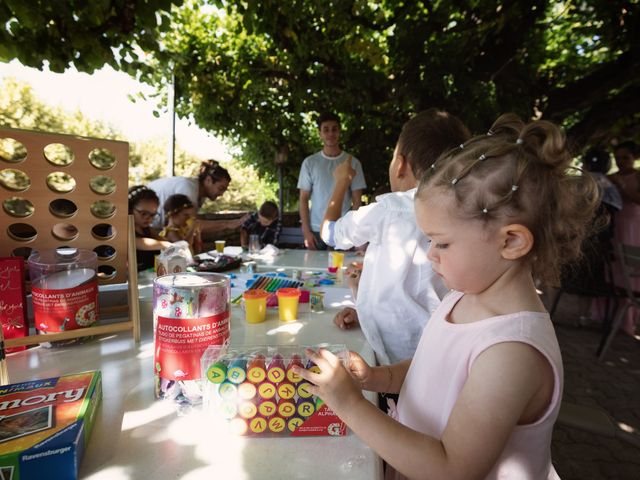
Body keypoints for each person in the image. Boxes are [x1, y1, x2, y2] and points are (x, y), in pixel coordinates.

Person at [295, 114, 600, 479]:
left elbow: (452, 468)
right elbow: (429, 367)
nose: (429, 255)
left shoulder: (511, 353)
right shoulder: (463, 297)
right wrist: (377, 377)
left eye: (441, 242)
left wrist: (349, 404)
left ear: (511, 241)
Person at [320, 109, 470, 367]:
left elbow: (330, 233)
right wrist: (364, 313)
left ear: (400, 165)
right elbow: (415, 293)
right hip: (441, 351)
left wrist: (341, 183)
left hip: (392, 357)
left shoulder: (390, 209)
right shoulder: (466, 212)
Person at [297, 112, 367, 250]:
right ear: (320, 133)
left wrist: (353, 230)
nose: (330, 133)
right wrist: (306, 231)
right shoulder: (310, 163)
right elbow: (303, 198)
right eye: (326, 129)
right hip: (315, 230)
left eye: (334, 129)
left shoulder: (353, 163)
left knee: (341, 270)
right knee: (314, 271)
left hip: (342, 229)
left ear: (339, 131)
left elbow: (357, 201)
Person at [147, 159, 247, 235]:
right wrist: (229, 223)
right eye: (220, 188)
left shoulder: (199, 194)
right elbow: (190, 224)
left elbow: (192, 225)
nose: (221, 194)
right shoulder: (188, 188)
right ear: (208, 180)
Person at [609, 141, 640, 335]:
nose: (621, 162)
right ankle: (611, 316)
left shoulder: (637, 176)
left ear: (635, 158)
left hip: (634, 224)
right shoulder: (609, 177)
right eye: (618, 158)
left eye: (625, 158)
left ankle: (630, 319)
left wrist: (621, 186)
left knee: (631, 266)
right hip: (614, 223)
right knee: (615, 267)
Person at [128, 185, 172, 271]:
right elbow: (136, 242)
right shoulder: (123, 230)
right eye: (143, 213)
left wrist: (173, 245)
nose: (149, 218)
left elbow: (163, 241)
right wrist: (167, 245)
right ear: (130, 208)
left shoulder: (147, 229)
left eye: (153, 215)